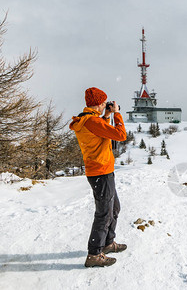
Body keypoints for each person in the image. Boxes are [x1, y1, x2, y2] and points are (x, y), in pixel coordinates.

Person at [69, 87, 128, 267]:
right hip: (100, 173)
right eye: (104, 103)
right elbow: (120, 135)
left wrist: (107, 115)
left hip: (104, 171)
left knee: (114, 208)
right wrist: (116, 114)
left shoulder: (91, 120)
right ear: (98, 104)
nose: (105, 105)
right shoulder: (91, 122)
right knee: (104, 214)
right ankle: (94, 254)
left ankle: (108, 243)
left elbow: (100, 129)